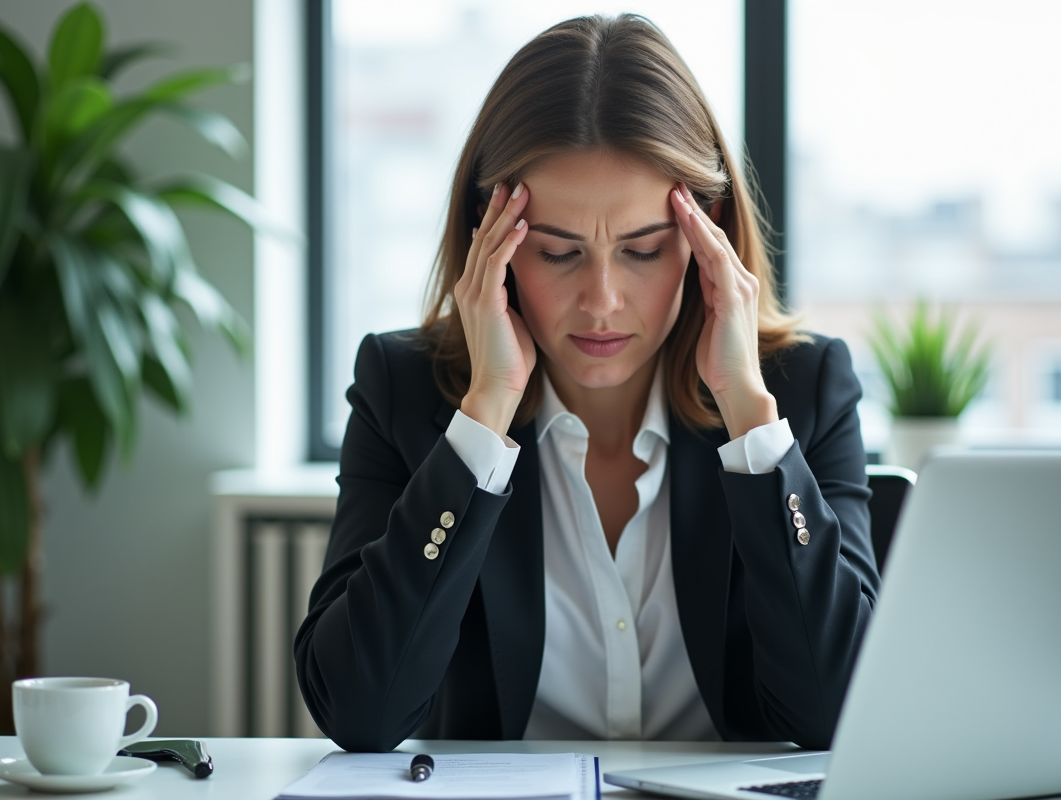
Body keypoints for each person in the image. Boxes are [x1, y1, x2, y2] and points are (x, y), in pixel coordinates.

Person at [294, 13, 879, 753]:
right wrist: (485, 417)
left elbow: (841, 713)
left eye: (642, 250)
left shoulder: (800, 392)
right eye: (558, 252)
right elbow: (359, 713)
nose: (601, 300)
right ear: (490, 240)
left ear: (711, 235)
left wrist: (746, 415)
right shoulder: (405, 390)